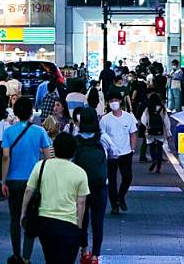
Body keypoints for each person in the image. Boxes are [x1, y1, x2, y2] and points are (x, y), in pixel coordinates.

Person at [21, 133, 89, 264]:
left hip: (45, 222)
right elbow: (81, 203)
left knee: (50, 257)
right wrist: (79, 227)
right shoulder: (80, 172)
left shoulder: (41, 166)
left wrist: (23, 213)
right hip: (69, 222)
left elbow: (28, 191)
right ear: (74, 151)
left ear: (54, 148)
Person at [1, 97, 52, 264]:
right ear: (31, 112)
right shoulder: (39, 131)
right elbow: (47, 156)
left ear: (15, 112)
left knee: (14, 218)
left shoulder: (8, 132)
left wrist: (3, 181)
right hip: (34, 180)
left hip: (14, 181)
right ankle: (26, 256)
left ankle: (15, 254)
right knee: (30, 218)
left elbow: (6, 157)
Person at [74, 108, 118, 264]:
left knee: (82, 220)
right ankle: (95, 256)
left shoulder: (76, 138)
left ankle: (84, 251)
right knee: (97, 221)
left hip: (80, 187)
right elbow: (116, 153)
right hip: (100, 186)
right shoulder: (102, 138)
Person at [100, 91, 137, 214]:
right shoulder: (105, 119)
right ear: (108, 103)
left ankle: (121, 196)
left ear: (120, 101)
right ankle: (114, 205)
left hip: (126, 153)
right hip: (111, 155)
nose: (114, 103)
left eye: (116, 100)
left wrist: (132, 149)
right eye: (111, 101)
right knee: (111, 180)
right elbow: (102, 137)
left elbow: (133, 134)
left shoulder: (128, 117)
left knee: (127, 177)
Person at [140, 93, 172, 173]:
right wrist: (168, 132)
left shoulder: (148, 109)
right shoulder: (162, 109)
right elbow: (166, 121)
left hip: (150, 130)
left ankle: (154, 159)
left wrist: (147, 125)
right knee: (159, 147)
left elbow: (143, 120)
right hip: (160, 131)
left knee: (151, 146)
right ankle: (158, 167)